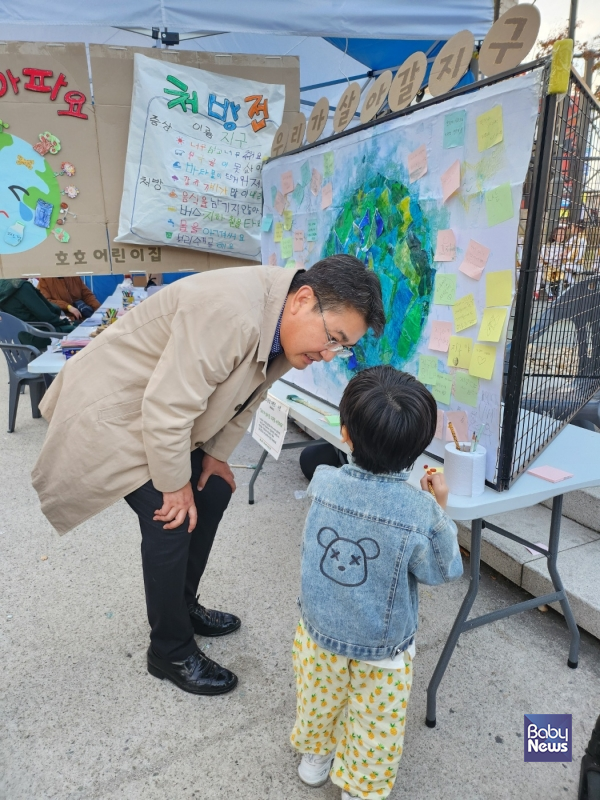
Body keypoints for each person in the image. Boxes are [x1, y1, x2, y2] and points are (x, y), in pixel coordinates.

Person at [32, 256, 385, 697]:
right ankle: (169, 648)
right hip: (119, 412)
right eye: (333, 338)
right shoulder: (230, 314)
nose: (328, 354)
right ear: (303, 299)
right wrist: (175, 485)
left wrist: (216, 457)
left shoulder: (282, 322)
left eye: (342, 347)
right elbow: (166, 408)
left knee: (213, 490)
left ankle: (181, 605)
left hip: (158, 409)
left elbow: (251, 393)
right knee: (172, 516)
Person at [290, 366, 462, 800]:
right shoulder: (418, 511)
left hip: (318, 630)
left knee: (318, 698)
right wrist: (438, 509)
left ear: (345, 434)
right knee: (374, 722)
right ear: (419, 448)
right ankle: (360, 787)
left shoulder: (323, 482)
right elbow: (444, 571)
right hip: (382, 647)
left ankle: (315, 760)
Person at [0, 278, 75, 350]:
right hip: (39, 334)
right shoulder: (22, 287)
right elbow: (46, 316)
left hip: (19, 339)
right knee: (78, 330)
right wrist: (65, 322)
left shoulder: (3, 289)